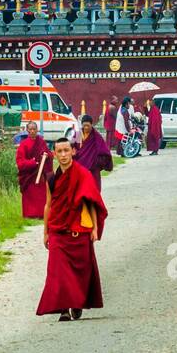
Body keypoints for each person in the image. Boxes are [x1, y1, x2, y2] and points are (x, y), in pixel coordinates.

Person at [37, 137, 107, 322]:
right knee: (58, 272)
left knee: (80, 271)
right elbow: (48, 206)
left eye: (66, 150)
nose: (63, 155)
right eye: (59, 151)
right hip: (58, 231)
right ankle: (64, 309)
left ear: (73, 152)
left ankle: (77, 303)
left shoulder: (83, 174)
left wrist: (94, 227)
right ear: (54, 154)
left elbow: (91, 202)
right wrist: (45, 232)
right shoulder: (51, 178)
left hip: (79, 230)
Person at [15, 120, 51, 220]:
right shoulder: (24, 144)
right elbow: (20, 162)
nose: (32, 131)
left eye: (34, 129)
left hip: (40, 174)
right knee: (30, 195)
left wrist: (47, 156)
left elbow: (50, 154)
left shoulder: (41, 142)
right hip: (29, 175)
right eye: (30, 129)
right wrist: (32, 162)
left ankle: (41, 214)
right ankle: (29, 214)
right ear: (27, 130)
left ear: (37, 130)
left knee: (40, 195)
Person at [73, 114, 112, 190]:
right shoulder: (77, 135)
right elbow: (72, 147)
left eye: (88, 125)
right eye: (84, 125)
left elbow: (105, 152)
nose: (86, 128)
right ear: (82, 125)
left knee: (93, 189)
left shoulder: (96, 136)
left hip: (92, 169)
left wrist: (96, 162)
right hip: (79, 168)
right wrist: (74, 153)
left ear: (92, 125)